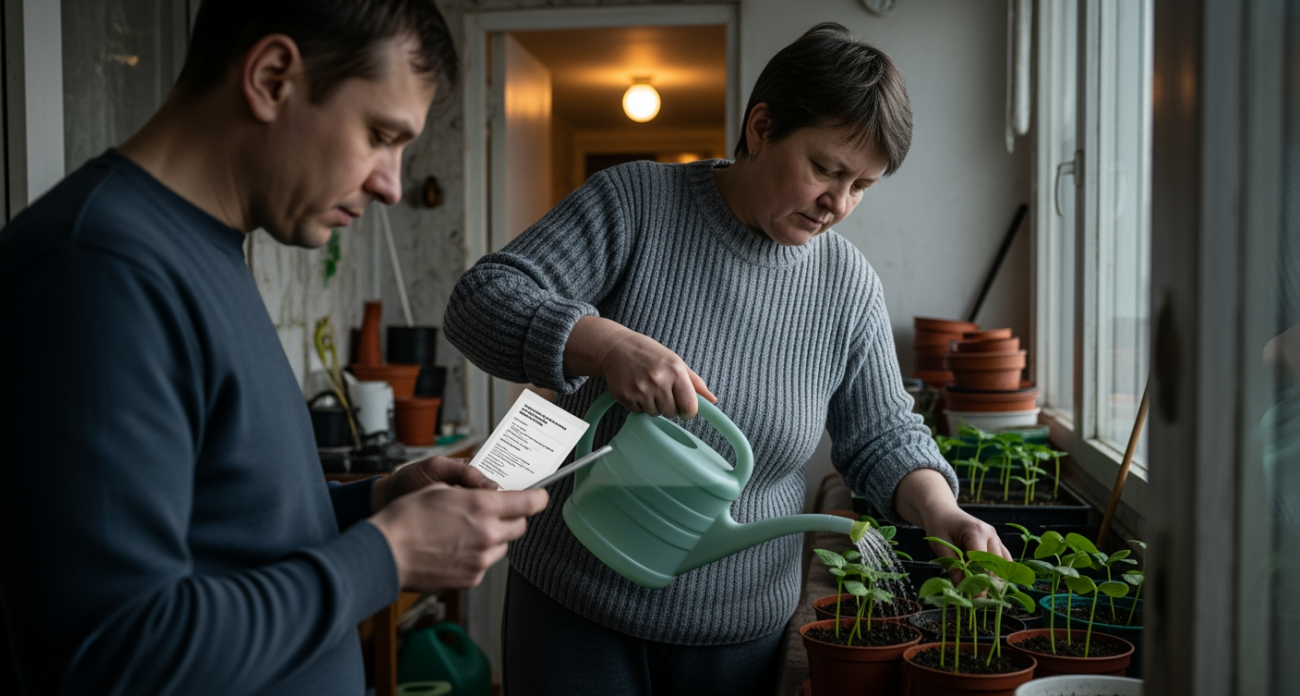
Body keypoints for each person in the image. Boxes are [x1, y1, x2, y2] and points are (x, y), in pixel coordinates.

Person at [444, 22, 1009, 695]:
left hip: (737, 635)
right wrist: (605, 343)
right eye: (826, 169)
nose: (839, 204)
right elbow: (479, 302)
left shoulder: (847, 286)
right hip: (574, 604)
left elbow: (883, 432)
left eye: (863, 185)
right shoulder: (635, 205)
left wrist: (944, 512)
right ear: (761, 128)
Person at [0, 2, 548, 695]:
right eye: (380, 134)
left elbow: (226, 525)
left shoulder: (206, 249)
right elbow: (116, 656)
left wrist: (373, 503)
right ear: (270, 77)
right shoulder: (96, 270)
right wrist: (389, 554)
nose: (392, 184)